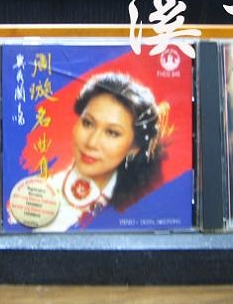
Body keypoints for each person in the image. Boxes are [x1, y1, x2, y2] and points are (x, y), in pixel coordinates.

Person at [31, 72, 169, 232]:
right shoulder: (37, 194)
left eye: (112, 133)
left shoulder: (145, 204)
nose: (91, 143)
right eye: (88, 123)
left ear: (134, 148)